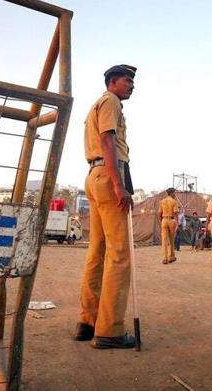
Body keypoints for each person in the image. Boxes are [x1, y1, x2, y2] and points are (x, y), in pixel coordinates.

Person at [75, 64, 137, 349]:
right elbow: (107, 139)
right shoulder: (111, 101)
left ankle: (87, 322)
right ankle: (109, 330)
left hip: (93, 175)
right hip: (108, 173)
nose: (132, 85)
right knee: (120, 253)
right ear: (113, 82)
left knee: (97, 250)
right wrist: (118, 183)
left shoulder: (96, 105)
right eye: (128, 80)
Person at [158, 187, 179, 264]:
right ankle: (171, 257)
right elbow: (176, 213)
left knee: (164, 240)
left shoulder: (162, 201)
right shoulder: (174, 201)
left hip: (164, 220)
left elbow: (159, 213)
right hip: (171, 220)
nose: (175, 194)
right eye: (174, 193)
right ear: (172, 193)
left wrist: (162, 220)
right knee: (171, 240)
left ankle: (165, 258)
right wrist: (177, 223)